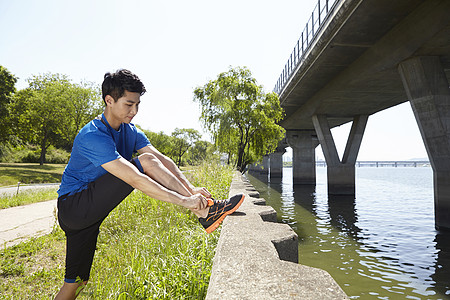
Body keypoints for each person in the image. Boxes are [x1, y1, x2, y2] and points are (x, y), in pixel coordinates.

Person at [54, 69, 244, 299]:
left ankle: (205, 210)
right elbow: (135, 177)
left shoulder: (130, 131)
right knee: (144, 162)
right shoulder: (92, 135)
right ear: (109, 100)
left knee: (76, 283)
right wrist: (185, 200)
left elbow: (163, 160)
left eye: (137, 105)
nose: (134, 111)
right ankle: (204, 213)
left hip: (88, 219)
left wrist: (191, 189)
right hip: (75, 207)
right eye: (128, 104)